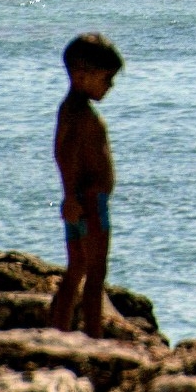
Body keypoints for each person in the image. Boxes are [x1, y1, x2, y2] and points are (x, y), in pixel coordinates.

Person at [48, 33, 122, 338]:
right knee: (94, 275)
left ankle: (59, 330)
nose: (110, 85)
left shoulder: (73, 110)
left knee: (77, 269)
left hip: (83, 200)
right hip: (90, 203)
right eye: (106, 78)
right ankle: (94, 335)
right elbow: (63, 153)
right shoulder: (78, 114)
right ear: (82, 76)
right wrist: (69, 196)